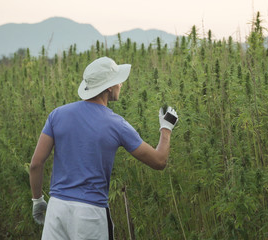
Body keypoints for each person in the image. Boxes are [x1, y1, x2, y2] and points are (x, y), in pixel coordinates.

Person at [29, 56, 178, 239]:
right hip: (90, 214)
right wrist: (166, 129)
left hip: (57, 209)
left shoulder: (57, 115)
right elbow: (159, 161)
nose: (121, 85)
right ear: (108, 87)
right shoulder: (117, 124)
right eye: (118, 81)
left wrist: (37, 200)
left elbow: (36, 164)